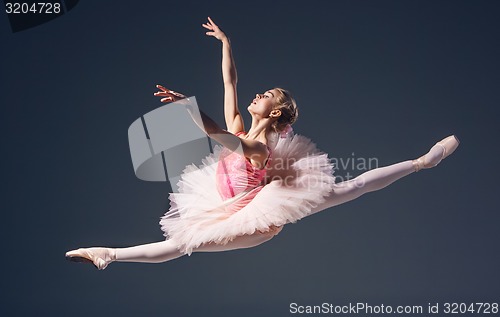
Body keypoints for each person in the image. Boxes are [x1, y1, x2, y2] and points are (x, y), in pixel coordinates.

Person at [66, 17, 459, 270]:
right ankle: (109, 255)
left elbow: (214, 134)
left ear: (275, 113)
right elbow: (230, 83)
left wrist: (188, 106)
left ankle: (422, 162)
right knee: (179, 243)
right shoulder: (241, 128)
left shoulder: (257, 150)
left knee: (350, 188)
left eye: (267, 94)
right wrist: (225, 43)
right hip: (226, 205)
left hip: (257, 218)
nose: (259, 94)